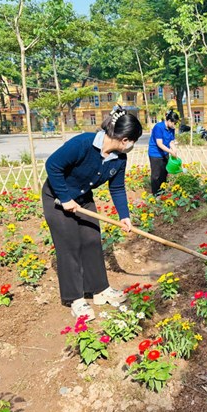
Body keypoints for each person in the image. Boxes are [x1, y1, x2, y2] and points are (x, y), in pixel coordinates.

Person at [42, 106, 143, 320]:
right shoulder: (83, 144)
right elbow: (52, 165)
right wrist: (65, 198)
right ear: (125, 140)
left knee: (92, 240)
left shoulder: (119, 158)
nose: (132, 145)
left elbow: (117, 188)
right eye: (133, 141)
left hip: (82, 199)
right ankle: (76, 299)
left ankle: (99, 289)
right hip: (57, 198)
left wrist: (124, 216)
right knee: (69, 245)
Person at [148, 109, 179, 195]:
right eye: (174, 123)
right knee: (156, 175)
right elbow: (159, 144)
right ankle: (156, 194)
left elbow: (171, 142)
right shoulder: (158, 127)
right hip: (155, 154)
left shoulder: (171, 129)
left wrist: (174, 150)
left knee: (164, 173)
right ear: (168, 120)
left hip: (165, 153)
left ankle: (162, 192)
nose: (174, 125)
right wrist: (171, 151)